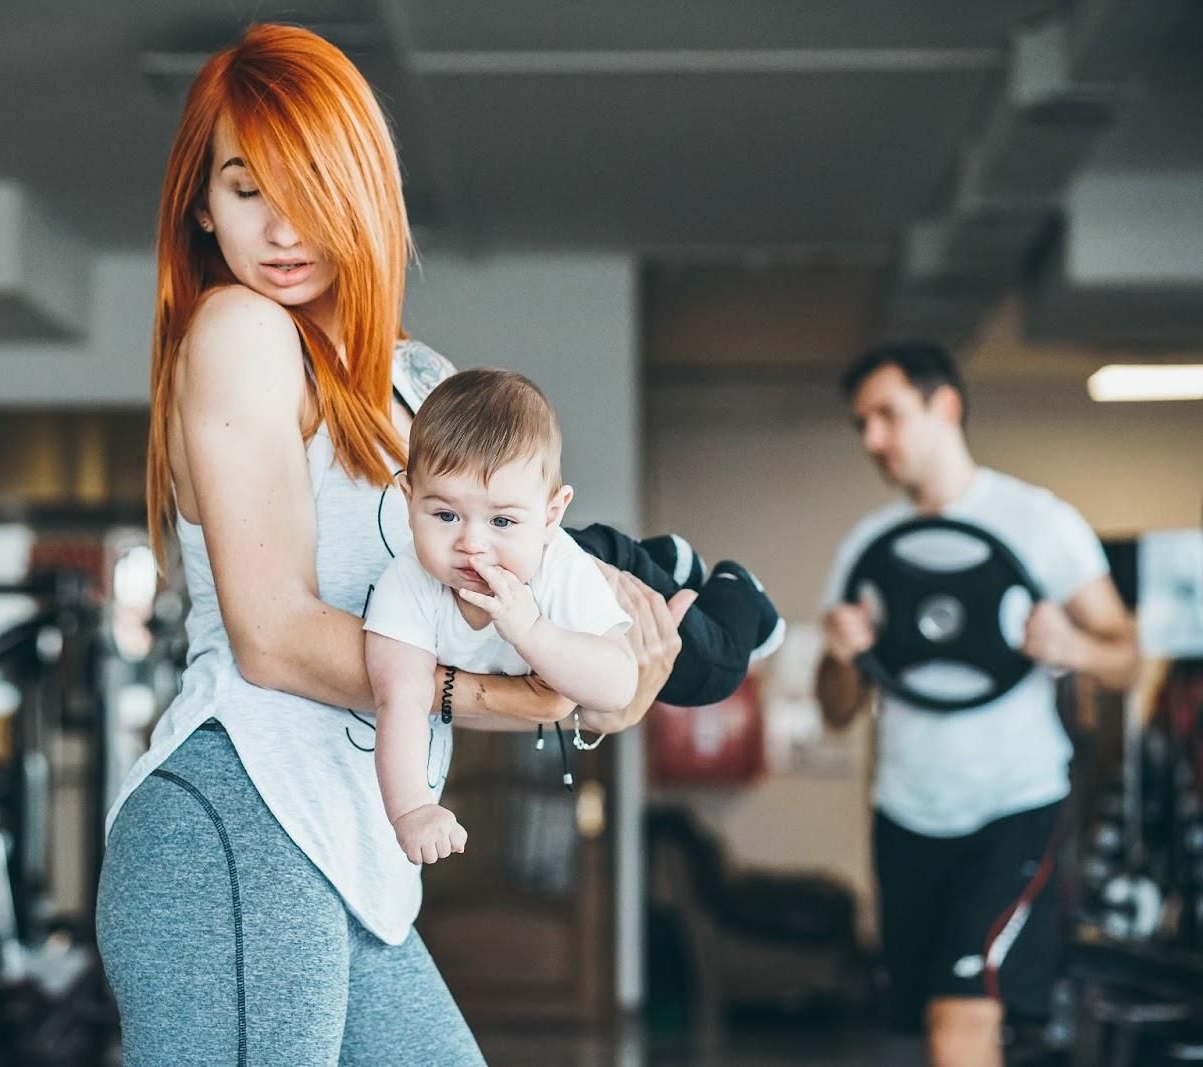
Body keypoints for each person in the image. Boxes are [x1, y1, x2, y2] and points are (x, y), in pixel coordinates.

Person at [95, 25, 685, 1065]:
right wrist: (511, 699)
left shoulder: (417, 384)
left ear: (364, 184)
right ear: (200, 203)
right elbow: (272, 636)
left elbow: (520, 597)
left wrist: (612, 675)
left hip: (348, 848)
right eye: (246, 188)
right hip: (245, 812)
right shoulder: (239, 329)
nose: (282, 227)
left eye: (312, 183)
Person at [815, 341, 1139, 1067]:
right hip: (904, 813)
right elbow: (837, 708)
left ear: (946, 407)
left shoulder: (1039, 520)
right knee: (939, 1019)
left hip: (1013, 809)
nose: (872, 439)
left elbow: (1126, 656)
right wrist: (842, 655)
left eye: (888, 416)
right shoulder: (868, 546)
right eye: (861, 423)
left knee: (958, 1021)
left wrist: (1072, 647)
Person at [365, 368, 780, 864]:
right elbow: (401, 699)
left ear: (550, 515)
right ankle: (668, 561)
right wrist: (412, 809)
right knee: (639, 582)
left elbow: (617, 684)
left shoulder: (560, 576)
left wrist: (532, 632)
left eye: (500, 519)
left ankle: (734, 587)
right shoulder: (407, 584)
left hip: (589, 568)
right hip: (563, 558)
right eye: (446, 516)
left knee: (711, 673)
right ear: (408, 499)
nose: (472, 544)